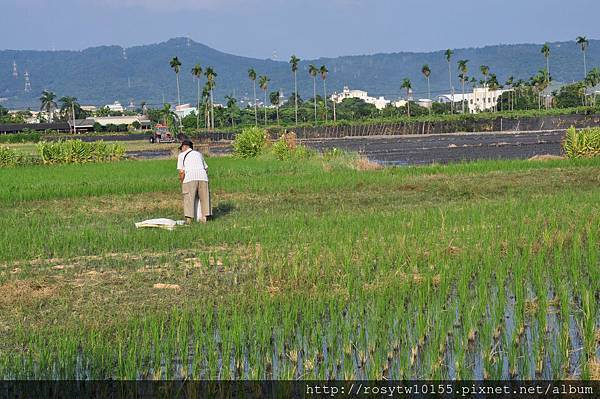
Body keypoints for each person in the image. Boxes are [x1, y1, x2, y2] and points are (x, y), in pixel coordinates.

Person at [177, 139, 211, 224]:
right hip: (203, 177)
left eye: (181, 148)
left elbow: (181, 172)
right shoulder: (199, 154)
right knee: (204, 198)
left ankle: (189, 220)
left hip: (190, 178)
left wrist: (182, 181)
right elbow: (206, 168)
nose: (181, 149)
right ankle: (204, 218)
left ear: (184, 147)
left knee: (188, 198)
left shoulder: (181, 155)